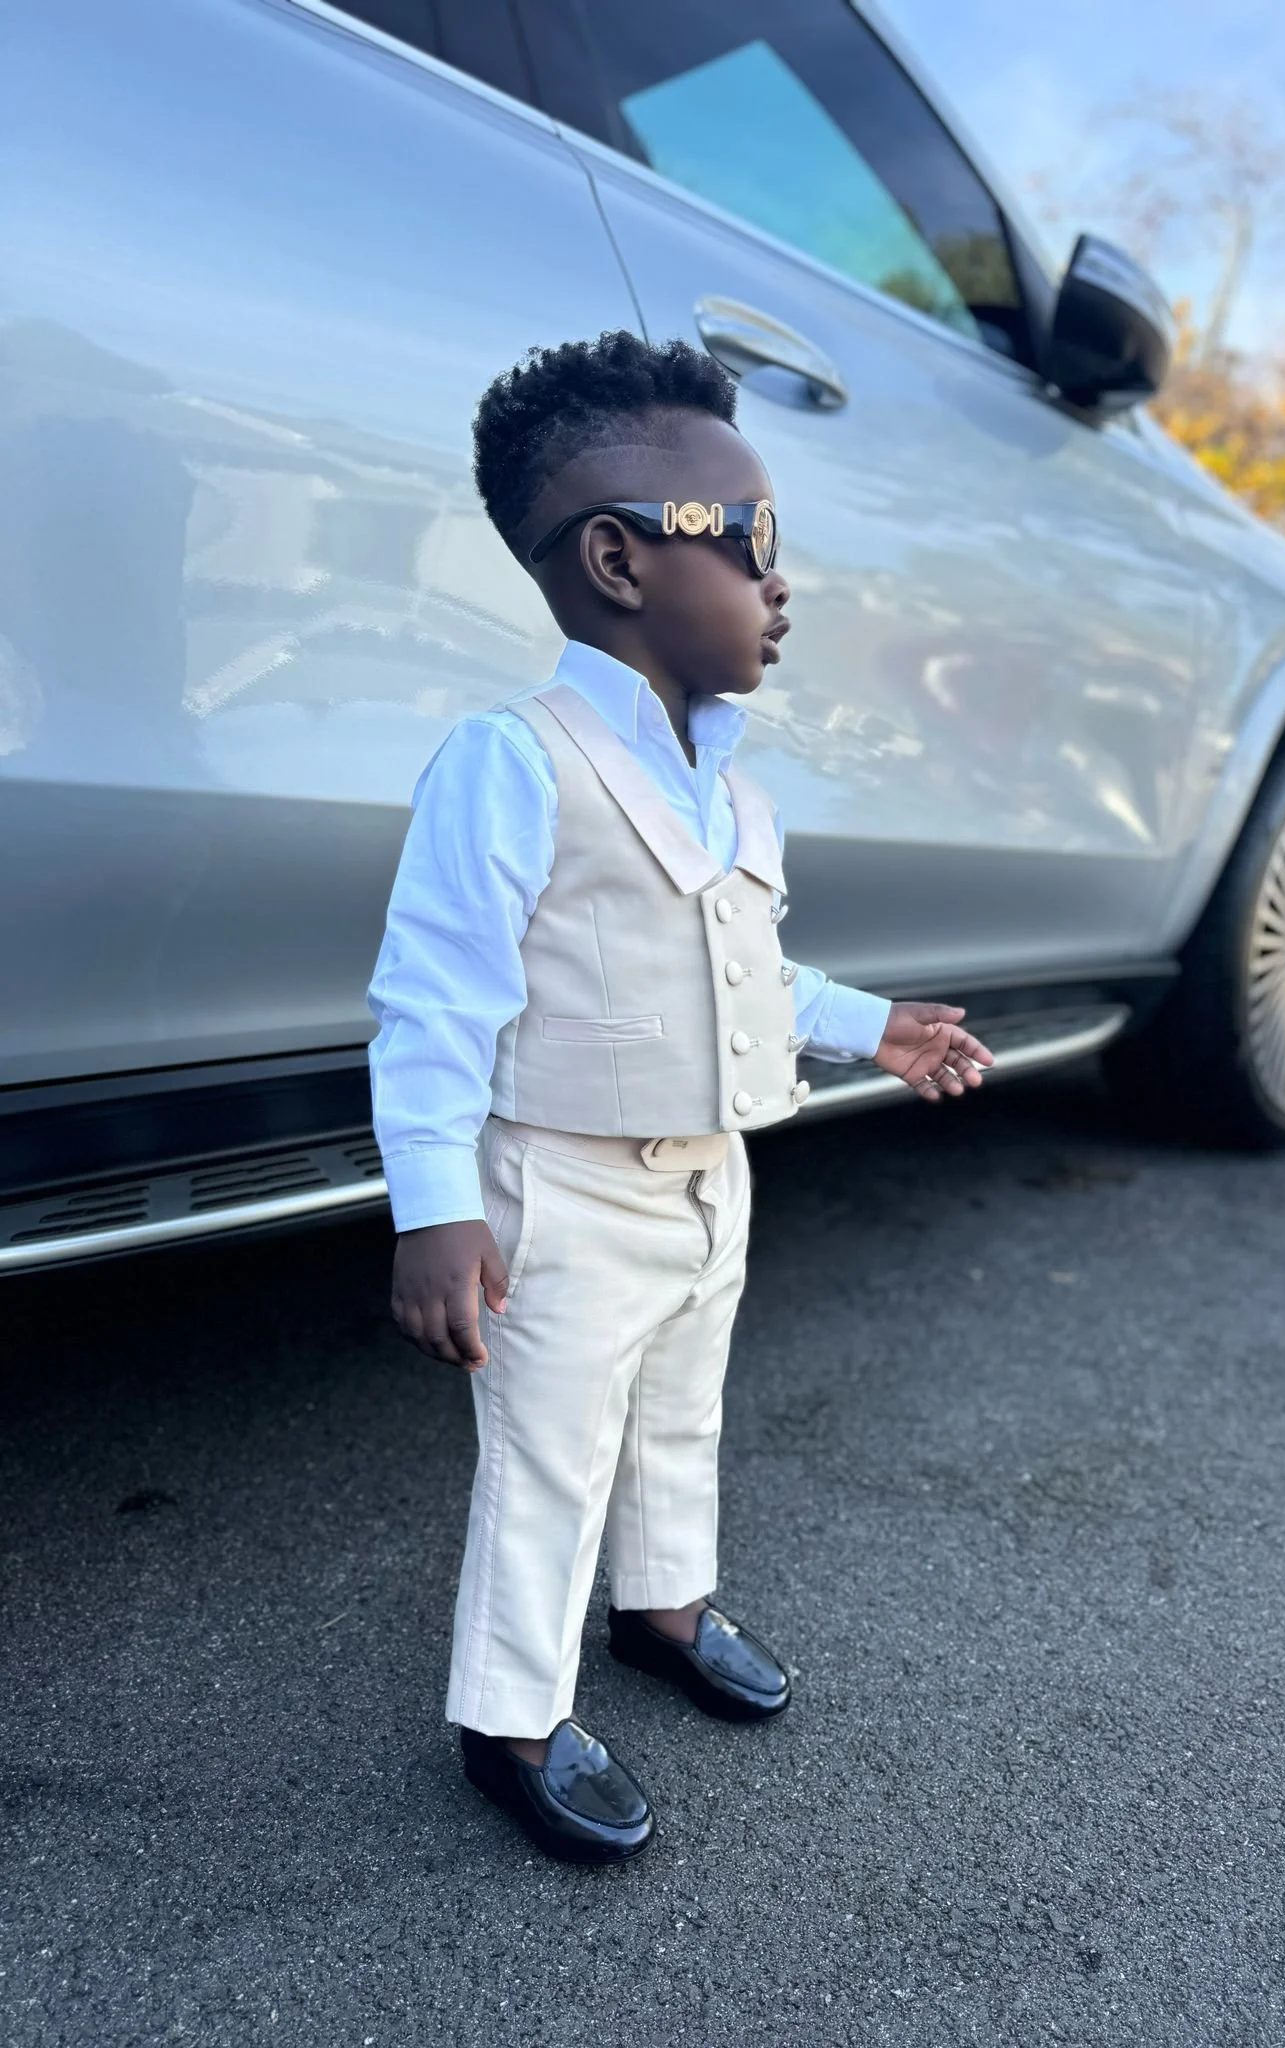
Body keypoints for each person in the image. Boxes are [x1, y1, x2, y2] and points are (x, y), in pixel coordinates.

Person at [367, 331, 993, 1864]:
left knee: (677, 1417)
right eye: (757, 542)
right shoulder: (509, 763)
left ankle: (664, 1605)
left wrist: (870, 1028)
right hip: (563, 1189)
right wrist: (436, 1205)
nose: (783, 584)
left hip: (713, 1172)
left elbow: (742, 976)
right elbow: (434, 998)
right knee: (550, 1450)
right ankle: (511, 1716)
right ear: (619, 559)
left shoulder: (734, 788)